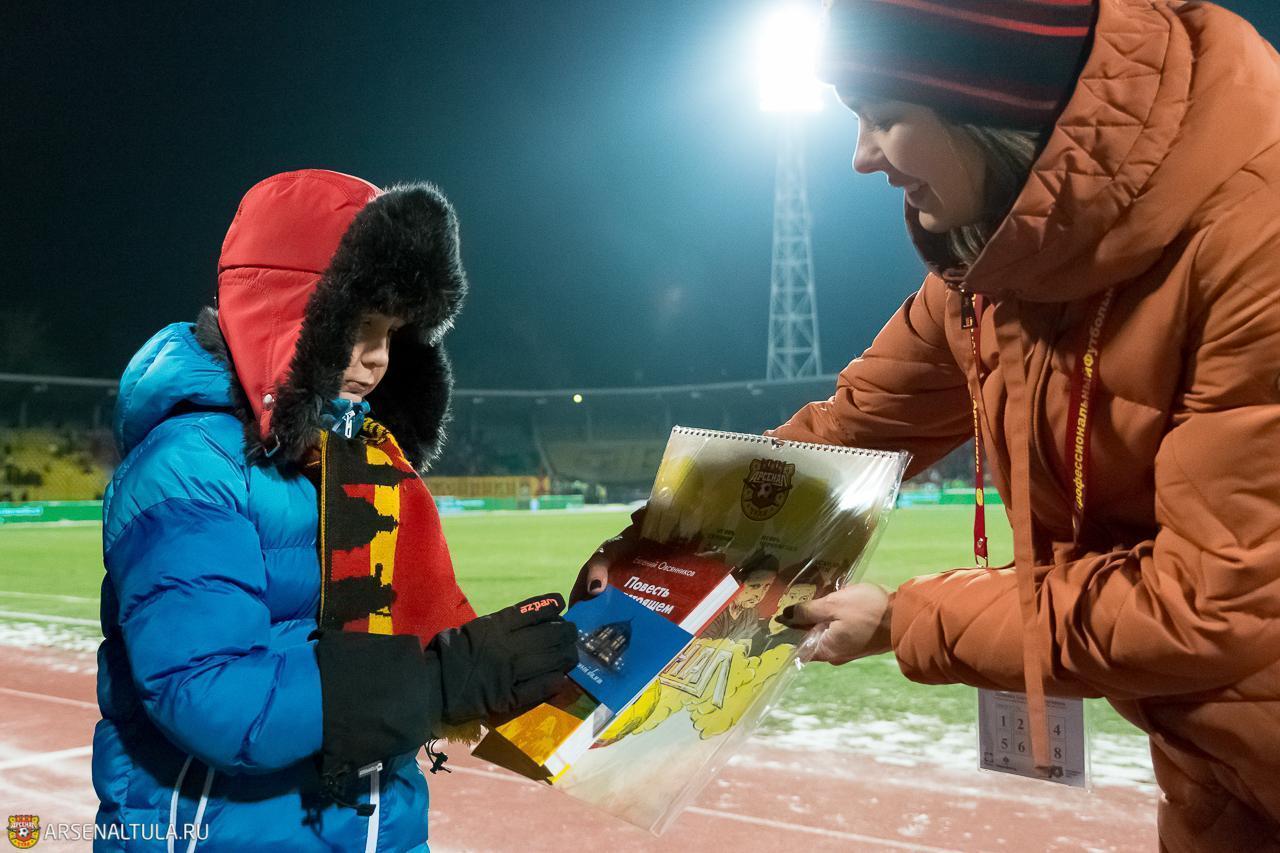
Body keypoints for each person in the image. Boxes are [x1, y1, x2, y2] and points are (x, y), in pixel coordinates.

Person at [580, 1, 1280, 848]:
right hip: (1220, 767)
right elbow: (846, 431)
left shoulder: (1255, 232)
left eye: (885, 117)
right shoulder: (996, 255)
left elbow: (1211, 604)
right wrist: (653, 554)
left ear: (992, 102)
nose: (861, 155)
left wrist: (906, 619)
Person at [94, 169, 577, 851]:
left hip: (376, 829)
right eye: (359, 327)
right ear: (286, 312)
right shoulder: (190, 465)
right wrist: (438, 682)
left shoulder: (356, 460)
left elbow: (402, 657)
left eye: (393, 332)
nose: (377, 360)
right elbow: (209, 695)